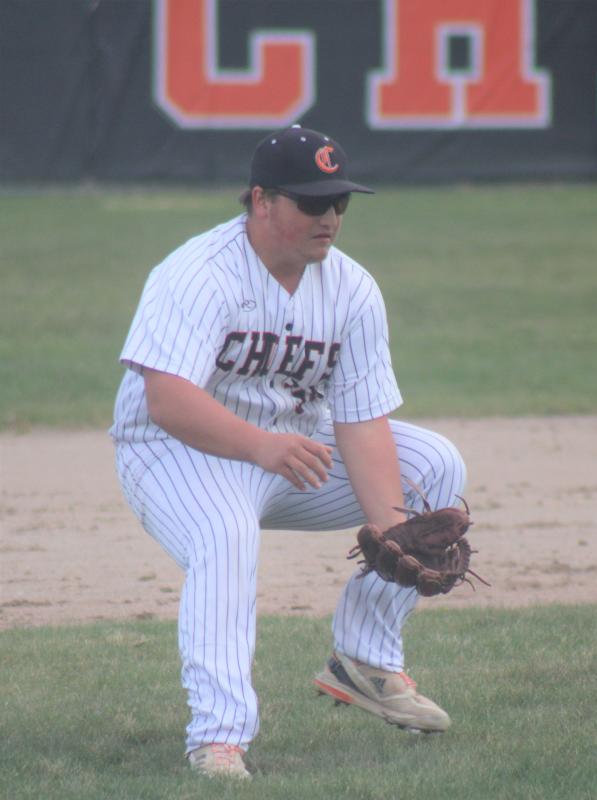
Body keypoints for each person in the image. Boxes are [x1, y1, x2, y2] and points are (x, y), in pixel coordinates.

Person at [109, 125, 467, 779]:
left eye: (339, 202)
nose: (329, 216)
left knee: (435, 465)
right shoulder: (199, 273)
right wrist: (260, 446)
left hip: (286, 451)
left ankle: (364, 659)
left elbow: (361, 423)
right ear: (261, 201)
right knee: (225, 531)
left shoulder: (351, 289)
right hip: (171, 449)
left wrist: (391, 528)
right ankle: (218, 736)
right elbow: (165, 399)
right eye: (311, 201)